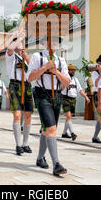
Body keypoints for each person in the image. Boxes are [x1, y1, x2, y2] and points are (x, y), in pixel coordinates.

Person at [28, 35, 70, 176]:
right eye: (52, 41)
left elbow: (67, 82)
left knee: (48, 129)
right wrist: (45, 67)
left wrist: (56, 71)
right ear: (45, 43)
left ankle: (40, 158)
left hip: (57, 95)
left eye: (57, 41)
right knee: (51, 128)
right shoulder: (36, 56)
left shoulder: (61, 60)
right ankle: (56, 163)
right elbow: (30, 77)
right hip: (42, 94)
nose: (55, 43)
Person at [5, 35, 34, 155]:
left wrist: (26, 56)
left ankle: (25, 143)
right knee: (17, 114)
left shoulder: (27, 58)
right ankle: (18, 144)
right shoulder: (11, 56)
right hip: (15, 85)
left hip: (26, 85)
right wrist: (19, 38)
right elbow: (10, 49)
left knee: (28, 115)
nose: (19, 46)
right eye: (18, 44)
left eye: (21, 44)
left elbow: (33, 68)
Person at [61, 64, 90, 141]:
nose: (73, 71)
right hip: (65, 98)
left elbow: (80, 90)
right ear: (68, 71)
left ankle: (64, 133)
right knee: (69, 116)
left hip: (73, 100)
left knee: (69, 117)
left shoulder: (75, 80)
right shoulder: (64, 78)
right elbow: (60, 89)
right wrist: (65, 83)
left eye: (74, 70)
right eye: (72, 70)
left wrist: (86, 97)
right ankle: (72, 133)